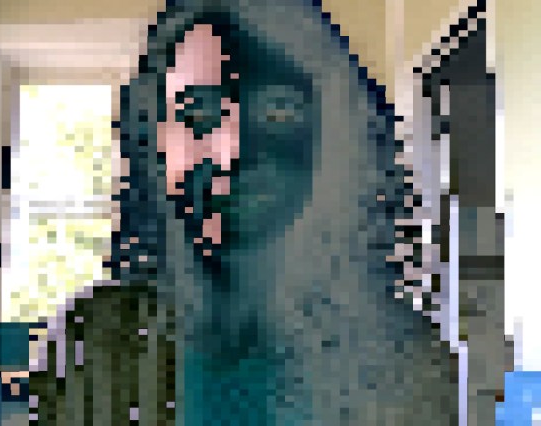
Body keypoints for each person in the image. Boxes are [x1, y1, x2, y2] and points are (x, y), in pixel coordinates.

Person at [30, 0, 459, 424]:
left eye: (278, 111)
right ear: (154, 141)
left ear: (331, 136)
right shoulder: (90, 340)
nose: (233, 151)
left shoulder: (415, 362)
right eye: (197, 113)